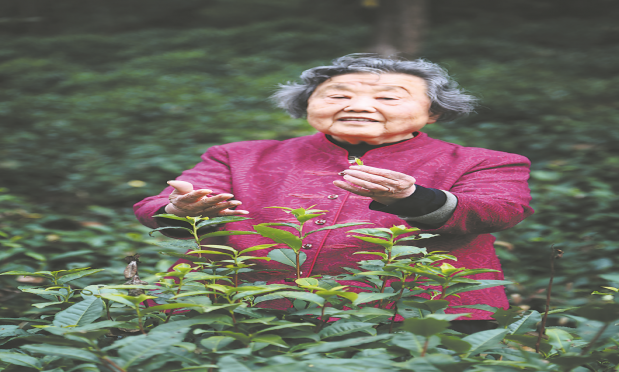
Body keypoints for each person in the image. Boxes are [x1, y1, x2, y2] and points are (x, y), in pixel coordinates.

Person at [134, 55, 533, 328]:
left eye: (388, 97)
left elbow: (498, 209)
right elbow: (160, 203)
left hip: (417, 318)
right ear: (306, 105)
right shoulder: (237, 156)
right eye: (338, 95)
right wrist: (182, 209)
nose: (358, 105)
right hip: (238, 313)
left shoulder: (485, 160)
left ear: (435, 111)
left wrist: (415, 199)